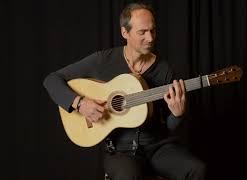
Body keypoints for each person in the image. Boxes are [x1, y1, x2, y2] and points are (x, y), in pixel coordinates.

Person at [43, 2, 206, 180]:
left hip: (157, 146)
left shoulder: (164, 69)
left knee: (197, 170)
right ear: (124, 33)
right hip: (120, 151)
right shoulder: (103, 61)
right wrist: (79, 103)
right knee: (129, 176)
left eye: (153, 30)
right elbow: (51, 80)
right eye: (142, 32)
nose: (150, 38)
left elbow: (169, 126)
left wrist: (177, 114)